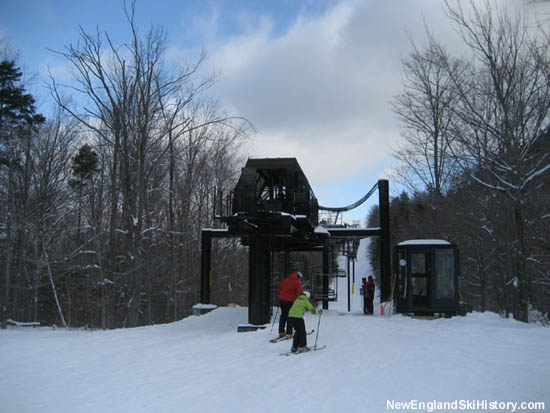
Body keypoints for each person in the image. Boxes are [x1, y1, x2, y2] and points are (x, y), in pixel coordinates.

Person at [278, 271, 304, 338]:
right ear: (298, 277)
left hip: (281, 300)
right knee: (290, 316)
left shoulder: (285, 280)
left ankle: (281, 331)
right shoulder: (296, 282)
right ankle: (289, 333)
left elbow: (280, 288)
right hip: (289, 301)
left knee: (283, 315)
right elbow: (300, 292)